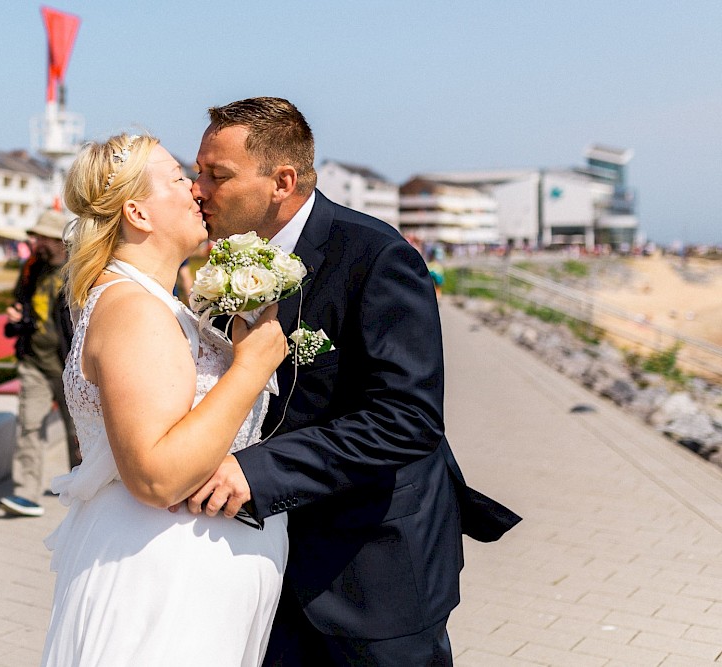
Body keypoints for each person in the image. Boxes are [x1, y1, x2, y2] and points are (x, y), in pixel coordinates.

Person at [188, 97, 520, 666]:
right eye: (198, 172)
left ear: (281, 181)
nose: (198, 189)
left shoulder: (376, 256)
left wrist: (258, 471)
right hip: (262, 563)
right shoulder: (224, 262)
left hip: (373, 568)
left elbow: (407, 419)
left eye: (216, 175)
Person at [38, 133, 289, 666]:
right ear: (138, 213)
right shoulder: (133, 311)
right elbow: (155, 475)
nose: (198, 190)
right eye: (179, 178)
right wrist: (251, 367)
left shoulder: (154, 302)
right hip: (162, 580)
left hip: (181, 575)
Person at [0, 210, 79, 517]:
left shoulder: (76, 270)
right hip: (34, 362)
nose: (37, 242)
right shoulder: (32, 267)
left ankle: (82, 491)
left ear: (60, 240)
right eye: (36, 237)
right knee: (29, 426)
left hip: (68, 365)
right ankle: (25, 494)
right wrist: (17, 316)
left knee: (78, 432)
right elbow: (20, 301)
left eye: (43, 237)